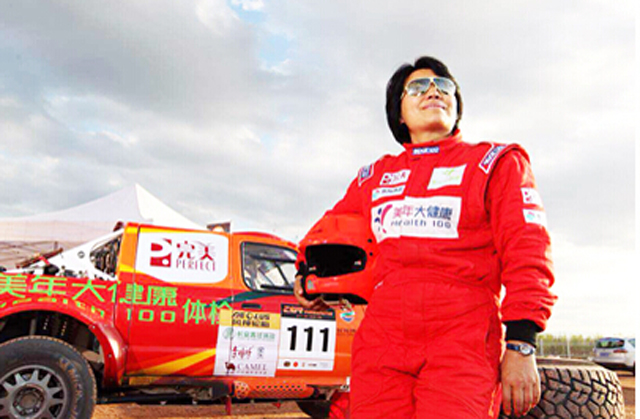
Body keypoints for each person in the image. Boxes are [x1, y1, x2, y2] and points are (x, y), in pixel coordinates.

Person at [294, 56, 557, 418]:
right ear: (399, 113)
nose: (433, 91)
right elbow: (326, 233)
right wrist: (309, 277)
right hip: (382, 338)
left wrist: (521, 343)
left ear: (456, 103)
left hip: (463, 336)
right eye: (418, 87)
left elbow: (528, 249)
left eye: (443, 86)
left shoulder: (495, 163)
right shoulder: (374, 177)